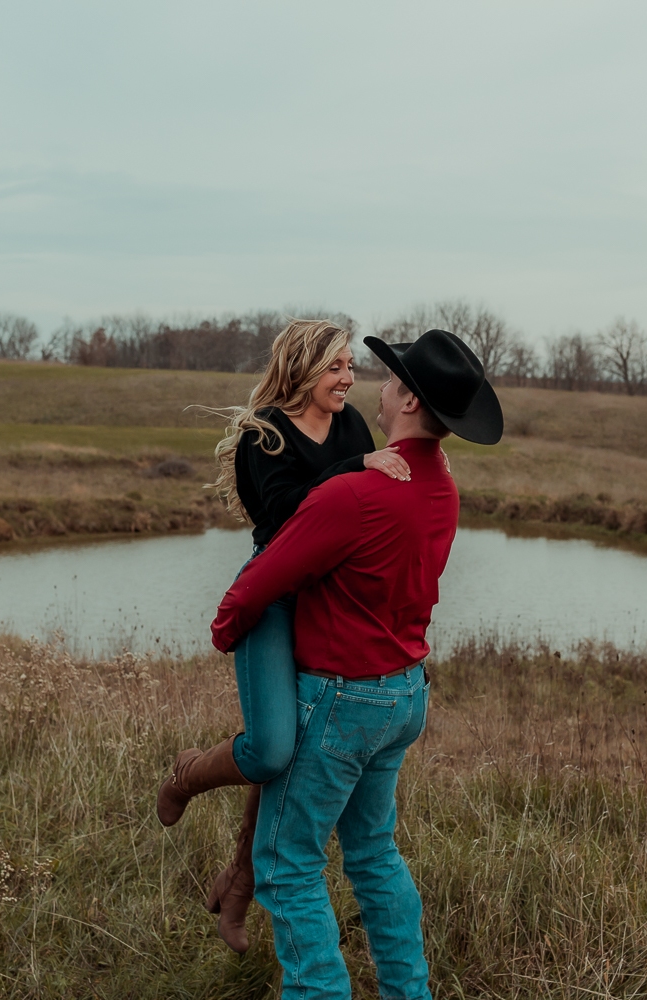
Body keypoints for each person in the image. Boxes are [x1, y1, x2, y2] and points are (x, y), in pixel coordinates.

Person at [211, 329, 503, 999]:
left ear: (404, 398)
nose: (374, 382)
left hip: (343, 702)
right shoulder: (441, 488)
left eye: (389, 377)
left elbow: (259, 584)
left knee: (286, 865)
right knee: (372, 853)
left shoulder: (355, 495)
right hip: (404, 696)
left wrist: (226, 630)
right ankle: (409, 991)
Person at [155, 318, 412, 953]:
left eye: (351, 367)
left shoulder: (349, 421)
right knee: (271, 750)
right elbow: (287, 517)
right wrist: (360, 466)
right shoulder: (263, 435)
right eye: (336, 367)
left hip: (327, 597)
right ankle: (187, 775)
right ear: (303, 365)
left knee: (294, 755)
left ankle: (237, 887)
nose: (349, 379)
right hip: (274, 594)